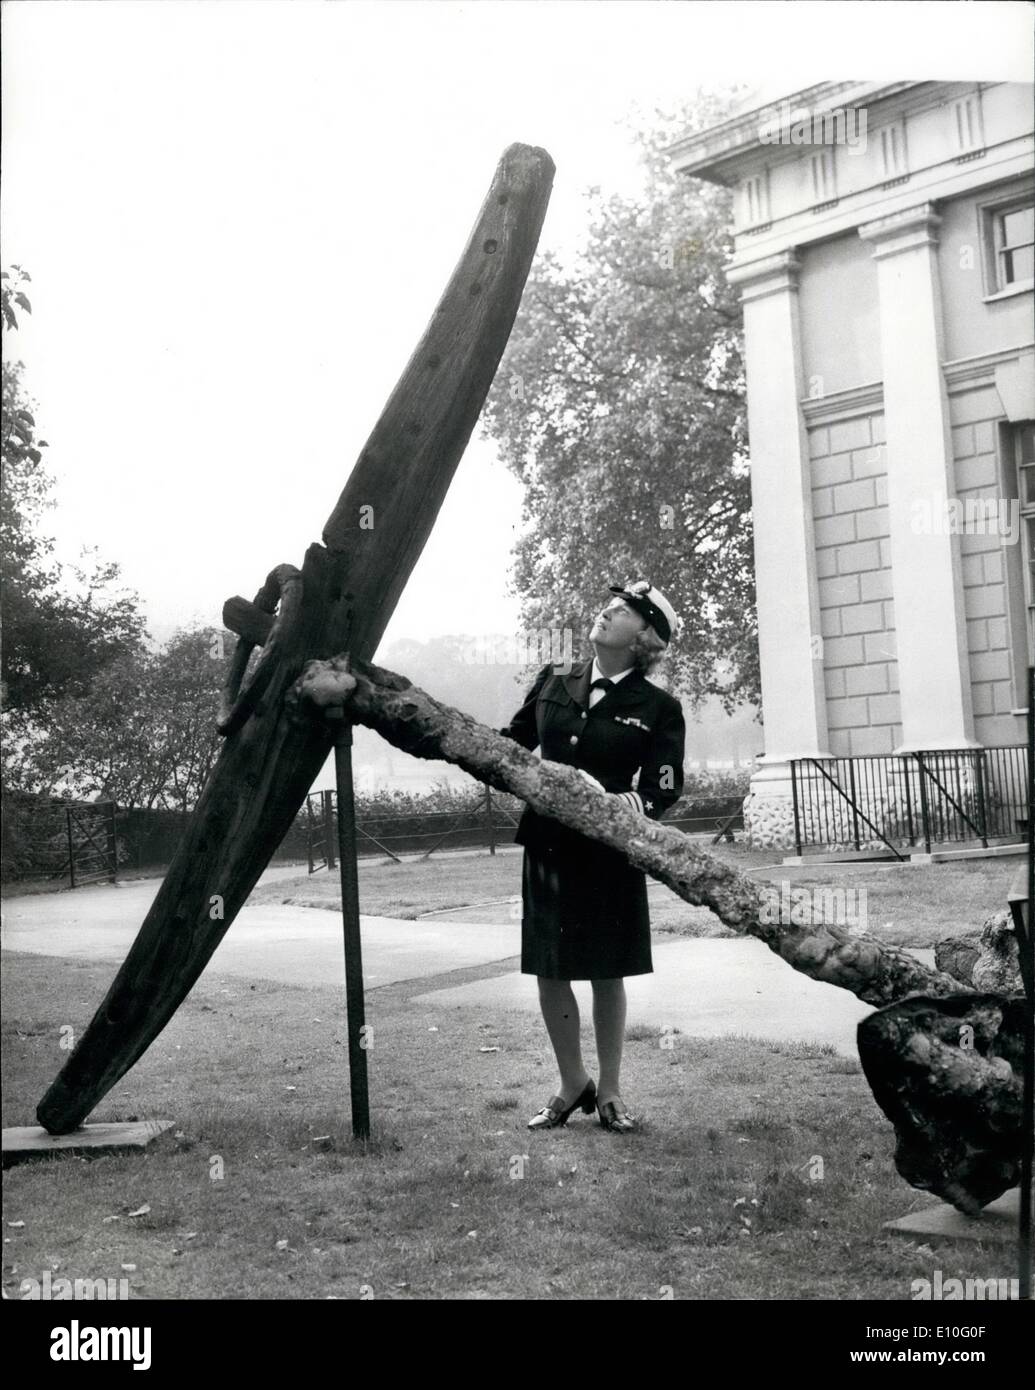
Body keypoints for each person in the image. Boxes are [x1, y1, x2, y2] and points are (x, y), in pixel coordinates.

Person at [498, 581, 686, 1133]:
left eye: (623, 611)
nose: (606, 611)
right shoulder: (554, 678)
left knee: (607, 969)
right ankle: (570, 1082)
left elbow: (664, 787)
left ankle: (609, 1091)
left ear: (644, 637)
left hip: (609, 852)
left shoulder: (659, 707)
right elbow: (511, 743)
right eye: (609, 605)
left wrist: (612, 806)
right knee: (550, 968)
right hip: (548, 846)